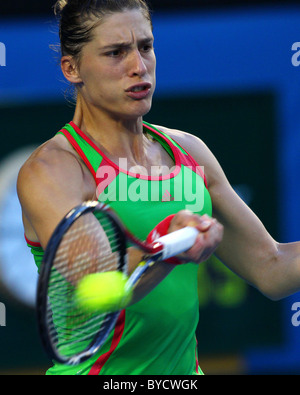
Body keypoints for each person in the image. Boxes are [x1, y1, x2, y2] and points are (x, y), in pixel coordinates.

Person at [16, 0, 300, 375]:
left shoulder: (188, 151)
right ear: (72, 68)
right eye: (116, 53)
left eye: (145, 46)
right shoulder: (52, 170)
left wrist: (170, 246)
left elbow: (272, 268)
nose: (138, 67)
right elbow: (103, 287)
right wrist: (168, 247)